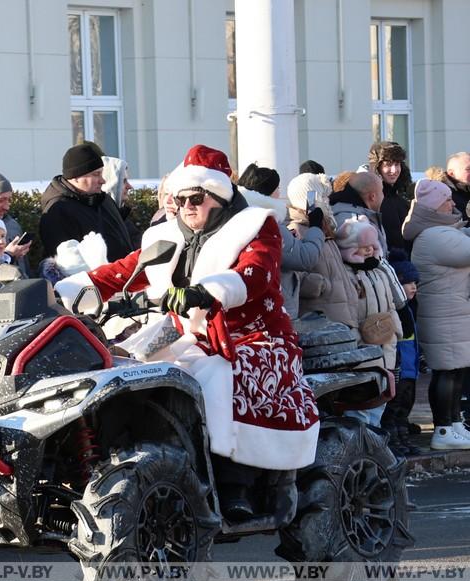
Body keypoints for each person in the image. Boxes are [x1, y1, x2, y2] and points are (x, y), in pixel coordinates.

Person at [56, 144, 319, 520]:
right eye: (178, 200)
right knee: (121, 373)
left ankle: (233, 483)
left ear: (218, 196)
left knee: (218, 377)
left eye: (195, 198)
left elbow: (256, 273)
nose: (186, 207)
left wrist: (207, 291)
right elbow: (121, 272)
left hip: (254, 336)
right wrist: (60, 292)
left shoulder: (255, 227)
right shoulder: (164, 236)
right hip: (185, 337)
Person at [401, 179, 470, 450]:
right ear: (433, 207)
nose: (452, 204)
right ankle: (443, 428)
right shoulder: (434, 236)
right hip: (445, 314)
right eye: (447, 201)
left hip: (451, 312)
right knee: (447, 372)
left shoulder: (438, 231)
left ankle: (452, 425)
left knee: (455, 372)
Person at [335, 218, 402, 426]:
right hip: (361, 351)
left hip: (385, 348)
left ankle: (374, 442)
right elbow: (346, 314)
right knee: (360, 405)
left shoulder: (378, 271)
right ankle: (363, 443)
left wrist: (394, 334)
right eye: (364, 247)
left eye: (372, 246)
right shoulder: (345, 275)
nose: (369, 251)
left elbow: (393, 304)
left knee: (380, 401)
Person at [238, 165, 324, 320]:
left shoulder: (238, 215)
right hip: (274, 309)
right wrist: (316, 227)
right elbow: (305, 258)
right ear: (269, 192)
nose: (280, 194)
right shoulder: (267, 222)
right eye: (277, 189)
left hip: (252, 304)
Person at [40, 143, 134, 262]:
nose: (103, 180)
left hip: (123, 275)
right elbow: (67, 264)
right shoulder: (58, 211)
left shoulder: (104, 200)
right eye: (96, 174)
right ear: (75, 177)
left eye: (102, 173)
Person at [287, 173, 359, 328]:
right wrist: (320, 284)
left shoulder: (325, 228)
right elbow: (293, 274)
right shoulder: (296, 230)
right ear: (310, 198)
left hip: (342, 315)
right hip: (321, 316)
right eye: (323, 197)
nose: (327, 202)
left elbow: (334, 266)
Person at [381, 250, 421, 456]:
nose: (414, 287)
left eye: (416, 282)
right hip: (399, 366)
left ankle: (403, 436)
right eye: (408, 283)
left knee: (405, 406)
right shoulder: (397, 309)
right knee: (393, 407)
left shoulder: (411, 309)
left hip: (410, 368)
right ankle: (393, 440)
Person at [367, 141, 412, 255]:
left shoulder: (403, 197)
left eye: (397, 164)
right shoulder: (370, 197)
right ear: (377, 167)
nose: (394, 170)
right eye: (388, 165)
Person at [331, 171, 388, 255]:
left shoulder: (360, 215)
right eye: (382, 191)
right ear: (372, 197)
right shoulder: (356, 224)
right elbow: (366, 264)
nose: (383, 195)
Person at [102, 156, 143, 248]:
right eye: (123, 181)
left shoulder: (120, 216)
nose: (129, 186)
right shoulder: (104, 220)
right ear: (110, 183)